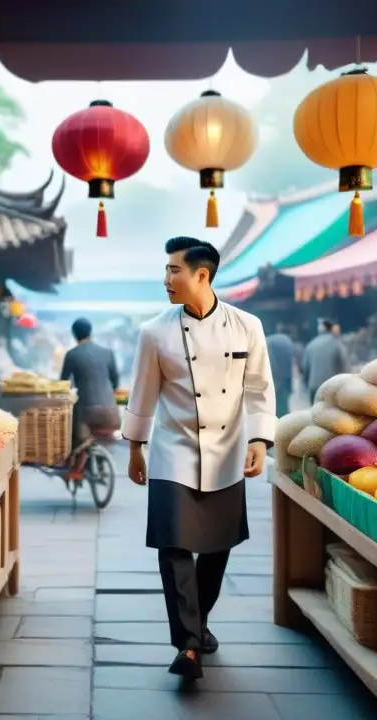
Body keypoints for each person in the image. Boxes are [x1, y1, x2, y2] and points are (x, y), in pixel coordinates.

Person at [123, 236, 276, 680]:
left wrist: (260, 441)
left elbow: (259, 389)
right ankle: (187, 644)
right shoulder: (154, 331)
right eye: (167, 269)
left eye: (174, 270)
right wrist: (135, 445)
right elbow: (143, 392)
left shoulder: (248, 326)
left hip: (228, 449)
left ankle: (199, 623)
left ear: (201, 275)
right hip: (173, 450)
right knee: (173, 545)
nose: (166, 279)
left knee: (216, 546)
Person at [60, 317, 121, 449]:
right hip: (111, 414)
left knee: (74, 437)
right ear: (90, 332)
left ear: (74, 334)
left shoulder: (72, 354)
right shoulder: (107, 353)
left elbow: (63, 385)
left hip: (86, 416)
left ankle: (74, 466)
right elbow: (115, 381)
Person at [301, 320, 348, 403]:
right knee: (331, 414)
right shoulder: (337, 344)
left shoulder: (311, 345)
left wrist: (305, 385)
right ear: (331, 329)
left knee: (316, 414)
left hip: (314, 387)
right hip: (331, 387)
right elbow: (344, 366)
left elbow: (305, 368)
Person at [265, 328, 294, 417]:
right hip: (285, 376)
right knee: (283, 404)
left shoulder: (267, 341)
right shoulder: (287, 340)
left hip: (273, 377)